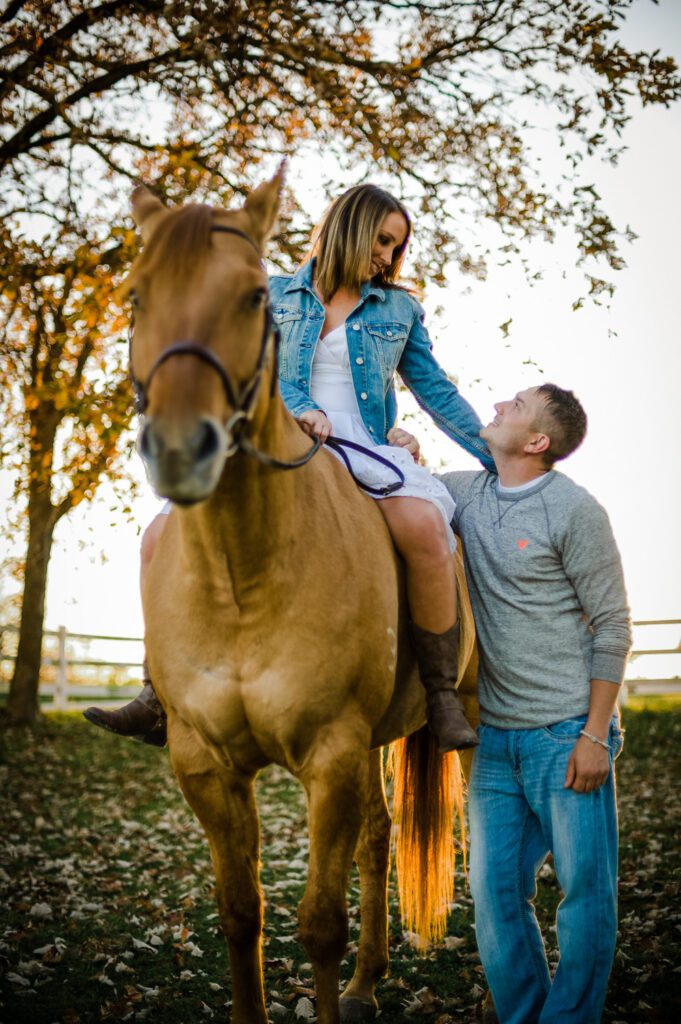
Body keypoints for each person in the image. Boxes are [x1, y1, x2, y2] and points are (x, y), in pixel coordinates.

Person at [85, 183, 494, 751]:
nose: (388, 257)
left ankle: (441, 693)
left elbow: (436, 393)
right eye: (382, 240)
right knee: (156, 537)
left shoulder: (399, 309)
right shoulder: (271, 294)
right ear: (350, 226)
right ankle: (158, 690)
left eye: (396, 249)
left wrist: (493, 451)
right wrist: (297, 407)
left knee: (426, 529)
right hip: (277, 439)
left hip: (365, 446)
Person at [439, 383, 631, 1024]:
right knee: (493, 894)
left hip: (567, 732)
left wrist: (596, 734)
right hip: (496, 739)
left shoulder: (574, 511)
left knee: (584, 895)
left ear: (537, 441)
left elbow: (613, 627)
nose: (496, 407)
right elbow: (401, 487)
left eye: (514, 406)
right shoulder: (466, 492)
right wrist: (403, 449)